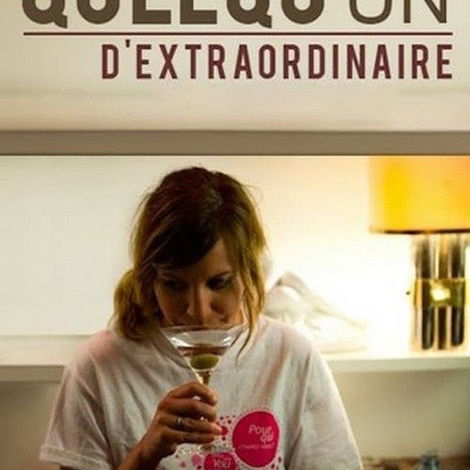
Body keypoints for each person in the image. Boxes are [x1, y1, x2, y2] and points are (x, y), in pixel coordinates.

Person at [39, 167, 362, 470]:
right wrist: (144, 455)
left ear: (250, 272)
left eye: (218, 283)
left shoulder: (291, 356)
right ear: (150, 279)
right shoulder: (97, 367)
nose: (198, 311)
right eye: (174, 284)